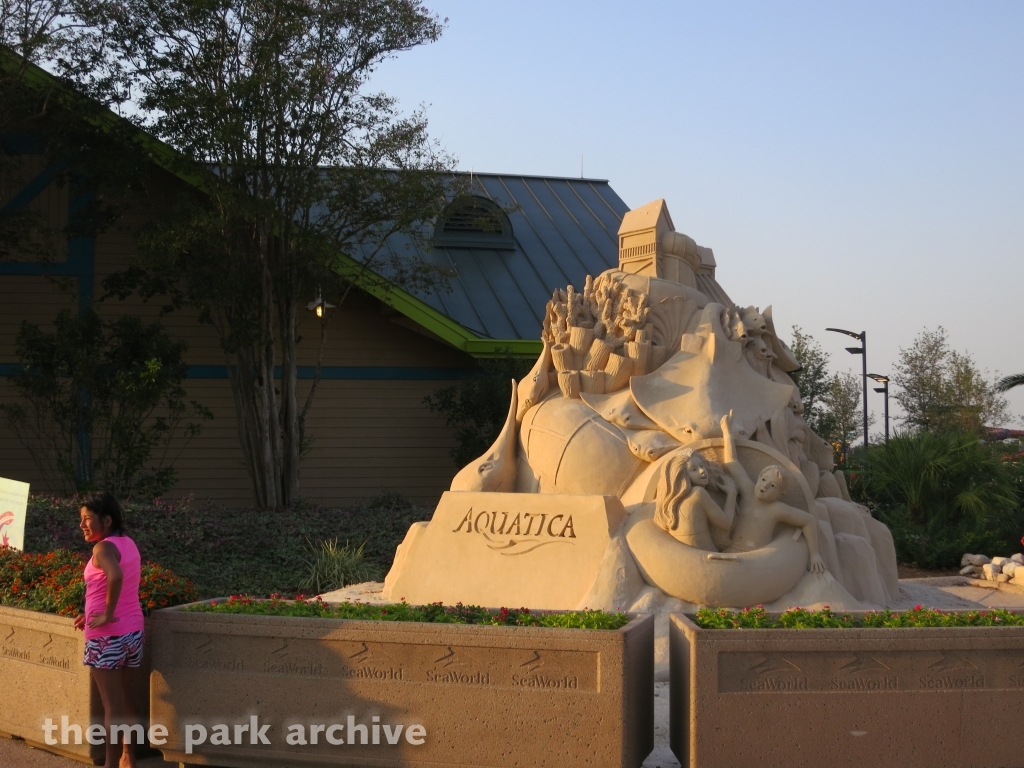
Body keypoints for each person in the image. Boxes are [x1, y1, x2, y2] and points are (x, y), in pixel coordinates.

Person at [74, 492, 144, 768]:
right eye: (81, 519)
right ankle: (129, 756)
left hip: (107, 637)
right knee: (124, 699)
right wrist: (90, 612)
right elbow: (111, 583)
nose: (82, 525)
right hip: (133, 632)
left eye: (87, 519)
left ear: (106, 519)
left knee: (110, 705)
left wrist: (106, 614)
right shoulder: (128, 544)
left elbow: (115, 576)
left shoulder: (101, 549)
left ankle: (111, 765)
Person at [720, 411, 827, 573]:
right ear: (758, 479)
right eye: (763, 480)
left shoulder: (777, 509)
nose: (765, 486)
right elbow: (732, 462)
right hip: (733, 551)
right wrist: (727, 433)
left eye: (772, 486)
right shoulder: (748, 491)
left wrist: (815, 554)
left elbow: (809, 520)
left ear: (780, 495)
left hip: (757, 558)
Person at [653, 449, 737, 551]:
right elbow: (726, 523)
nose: (702, 471)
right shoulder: (698, 493)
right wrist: (731, 493)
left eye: (701, 466)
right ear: (683, 476)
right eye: (694, 469)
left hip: (685, 555)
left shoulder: (673, 501)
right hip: (706, 556)